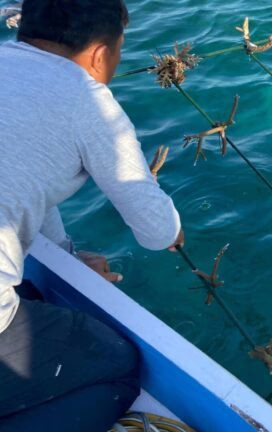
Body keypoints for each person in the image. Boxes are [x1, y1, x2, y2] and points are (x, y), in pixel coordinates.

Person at [0, 0, 184, 430]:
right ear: (101, 54)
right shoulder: (89, 100)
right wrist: (176, 230)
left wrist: (67, 255)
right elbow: (157, 232)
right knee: (119, 364)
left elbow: (26, 185)